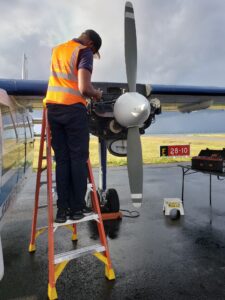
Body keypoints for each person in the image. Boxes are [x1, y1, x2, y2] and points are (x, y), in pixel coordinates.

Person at [44, 29, 102, 223]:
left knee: (62, 160)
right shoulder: (83, 51)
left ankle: (62, 210)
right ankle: (77, 208)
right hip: (73, 110)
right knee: (78, 159)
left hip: (53, 109)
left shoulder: (57, 49)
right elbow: (84, 88)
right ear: (92, 45)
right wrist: (96, 94)